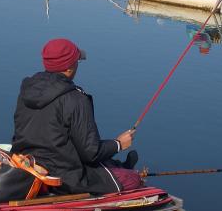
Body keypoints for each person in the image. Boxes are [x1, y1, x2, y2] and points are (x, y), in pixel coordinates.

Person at [12, 38, 142, 195]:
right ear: (69, 68)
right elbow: (90, 153)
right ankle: (126, 170)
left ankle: (120, 166)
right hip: (62, 179)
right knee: (133, 179)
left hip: (28, 166)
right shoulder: (76, 99)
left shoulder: (27, 90)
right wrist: (119, 144)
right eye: (76, 61)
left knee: (105, 163)